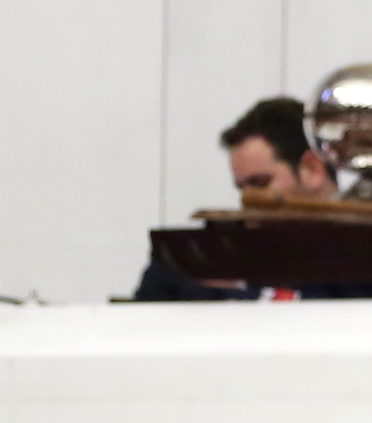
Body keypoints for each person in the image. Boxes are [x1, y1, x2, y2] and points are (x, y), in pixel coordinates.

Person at [131, 97, 340, 301]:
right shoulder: (193, 261)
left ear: (313, 169)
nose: (246, 200)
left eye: (261, 183)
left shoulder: (357, 260)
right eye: (242, 188)